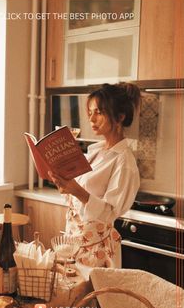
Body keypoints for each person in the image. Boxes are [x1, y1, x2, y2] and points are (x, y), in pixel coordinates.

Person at [49, 82, 141, 268]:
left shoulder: (124, 161)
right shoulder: (95, 152)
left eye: (99, 112)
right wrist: (64, 183)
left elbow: (109, 213)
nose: (91, 119)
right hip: (73, 241)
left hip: (97, 250)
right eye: (90, 112)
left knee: (91, 295)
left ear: (120, 117)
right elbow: (80, 193)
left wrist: (76, 190)